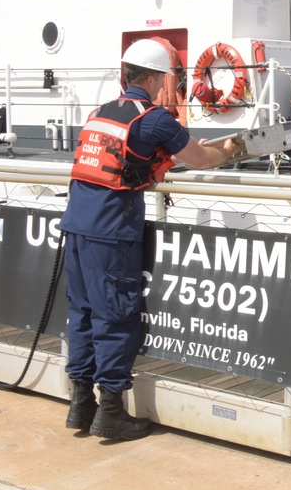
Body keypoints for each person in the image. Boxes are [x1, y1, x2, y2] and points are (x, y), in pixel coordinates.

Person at [62, 39, 242, 440]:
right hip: (111, 233)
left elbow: (131, 158)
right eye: (168, 78)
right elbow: (201, 157)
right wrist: (229, 150)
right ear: (156, 78)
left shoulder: (100, 113)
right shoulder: (155, 118)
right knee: (115, 317)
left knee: (84, 315)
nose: (170, 85)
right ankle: (111, 413)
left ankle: (81, 405)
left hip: (75, 228)